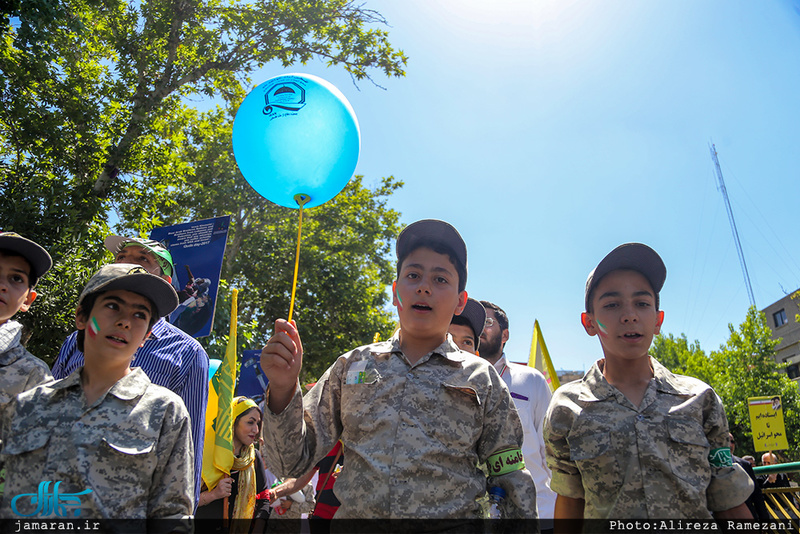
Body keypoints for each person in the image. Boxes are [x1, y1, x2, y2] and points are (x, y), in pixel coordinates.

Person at [259, 219, 536, 523]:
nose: (424, 286)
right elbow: (289, 463)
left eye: (440, 279)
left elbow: (510, 481)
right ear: (394, 292)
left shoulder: (482, 379)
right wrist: (284, 389)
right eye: (413, 275)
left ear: (460, 301)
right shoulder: (351, 366)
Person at [544, 243, 753, 520]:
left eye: (642, 304)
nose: (629, 315)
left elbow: (728, 499)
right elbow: (570, 502)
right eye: (612, 304)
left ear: (657, 320)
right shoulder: (567, 407)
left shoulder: (700, 399)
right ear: (589, 323)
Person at [1, 263, 193, 523]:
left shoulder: (165, 410)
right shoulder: (31, 403)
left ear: (147, 334)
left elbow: (172, 515)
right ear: (82, 316)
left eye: (139, 315)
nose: (125, 321)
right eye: (113, 306)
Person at [52, 235, 209, 508]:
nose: (127, 264)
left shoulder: (189, 355)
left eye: (142, 260)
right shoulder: (76, 339)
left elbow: (188, 452)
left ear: (166, 282)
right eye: (121, 257)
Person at [478, 300, 557, 532]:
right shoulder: (455, 381)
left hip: (538, 514)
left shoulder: (532, 380)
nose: (480, 327)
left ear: (505, 335)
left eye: (488, 321)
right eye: (476, 323)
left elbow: (551, 452)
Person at [0, 232, 53, 451]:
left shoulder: (33, 375)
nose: (3, 285)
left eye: (16, 279)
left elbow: (37, 453)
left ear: (28, 300)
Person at [197, 396, 270, 534]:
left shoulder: (254, 458)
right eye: (250, 422)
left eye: (258, 424)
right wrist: (214, 494)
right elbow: (186, 500)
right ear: (234, 420)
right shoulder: (207, 455)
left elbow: (263, 500)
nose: (255, 429)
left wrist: (258, 529)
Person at [730, 434, 769, 519]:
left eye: (732, 442)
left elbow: (756, 493)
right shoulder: (709, 465)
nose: (730, 445)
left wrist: (764, 519)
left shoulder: (744, 465)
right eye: (726, 441)